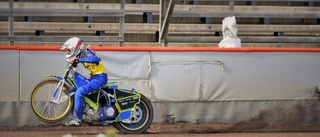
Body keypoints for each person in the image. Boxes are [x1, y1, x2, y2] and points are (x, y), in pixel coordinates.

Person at [60, 37, 108, 126]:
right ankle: (78, 116)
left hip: (100, 78)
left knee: (79, 92)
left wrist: (79, 60)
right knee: (74, 90)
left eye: (70, 50)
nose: (69, 52)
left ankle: (77, 119)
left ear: (75, 47)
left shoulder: (87, 52)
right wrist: (75, 64)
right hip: (94, 78)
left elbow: (95, 59)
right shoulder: (82, 54)